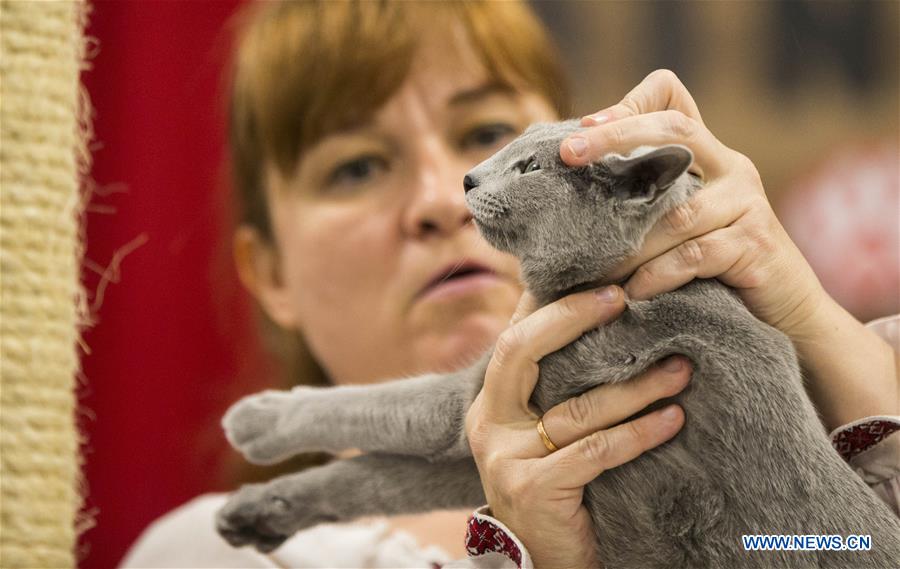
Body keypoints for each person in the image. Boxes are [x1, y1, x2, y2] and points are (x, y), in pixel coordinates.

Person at [121, 1, 899, 567]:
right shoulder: (214, 553)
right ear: (271, 274)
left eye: (489, 132)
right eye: (355, 166)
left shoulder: (804, 386)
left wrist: (820, 333)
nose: (441, 197)